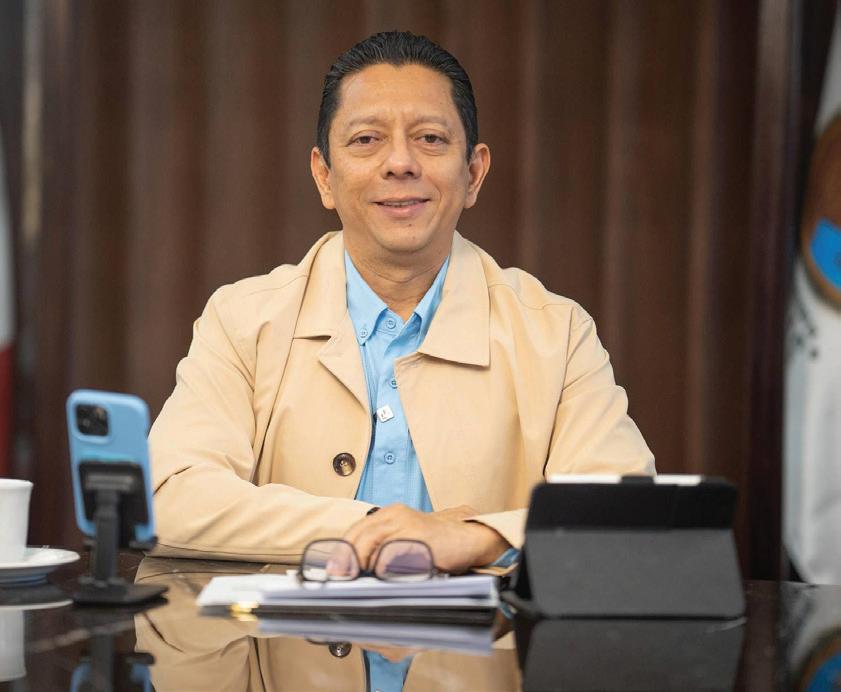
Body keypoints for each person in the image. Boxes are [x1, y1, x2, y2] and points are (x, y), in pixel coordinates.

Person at [148, 31, 654, 574]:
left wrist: (478, 539)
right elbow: (169, 498)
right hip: (286, 631)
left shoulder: (556, 332)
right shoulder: (243, 320)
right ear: (324, 176)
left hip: (484, 633)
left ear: (473, 174)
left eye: (430, 139)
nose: (400, 162)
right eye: (366, 139)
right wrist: (373, 529)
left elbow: (627, 517)